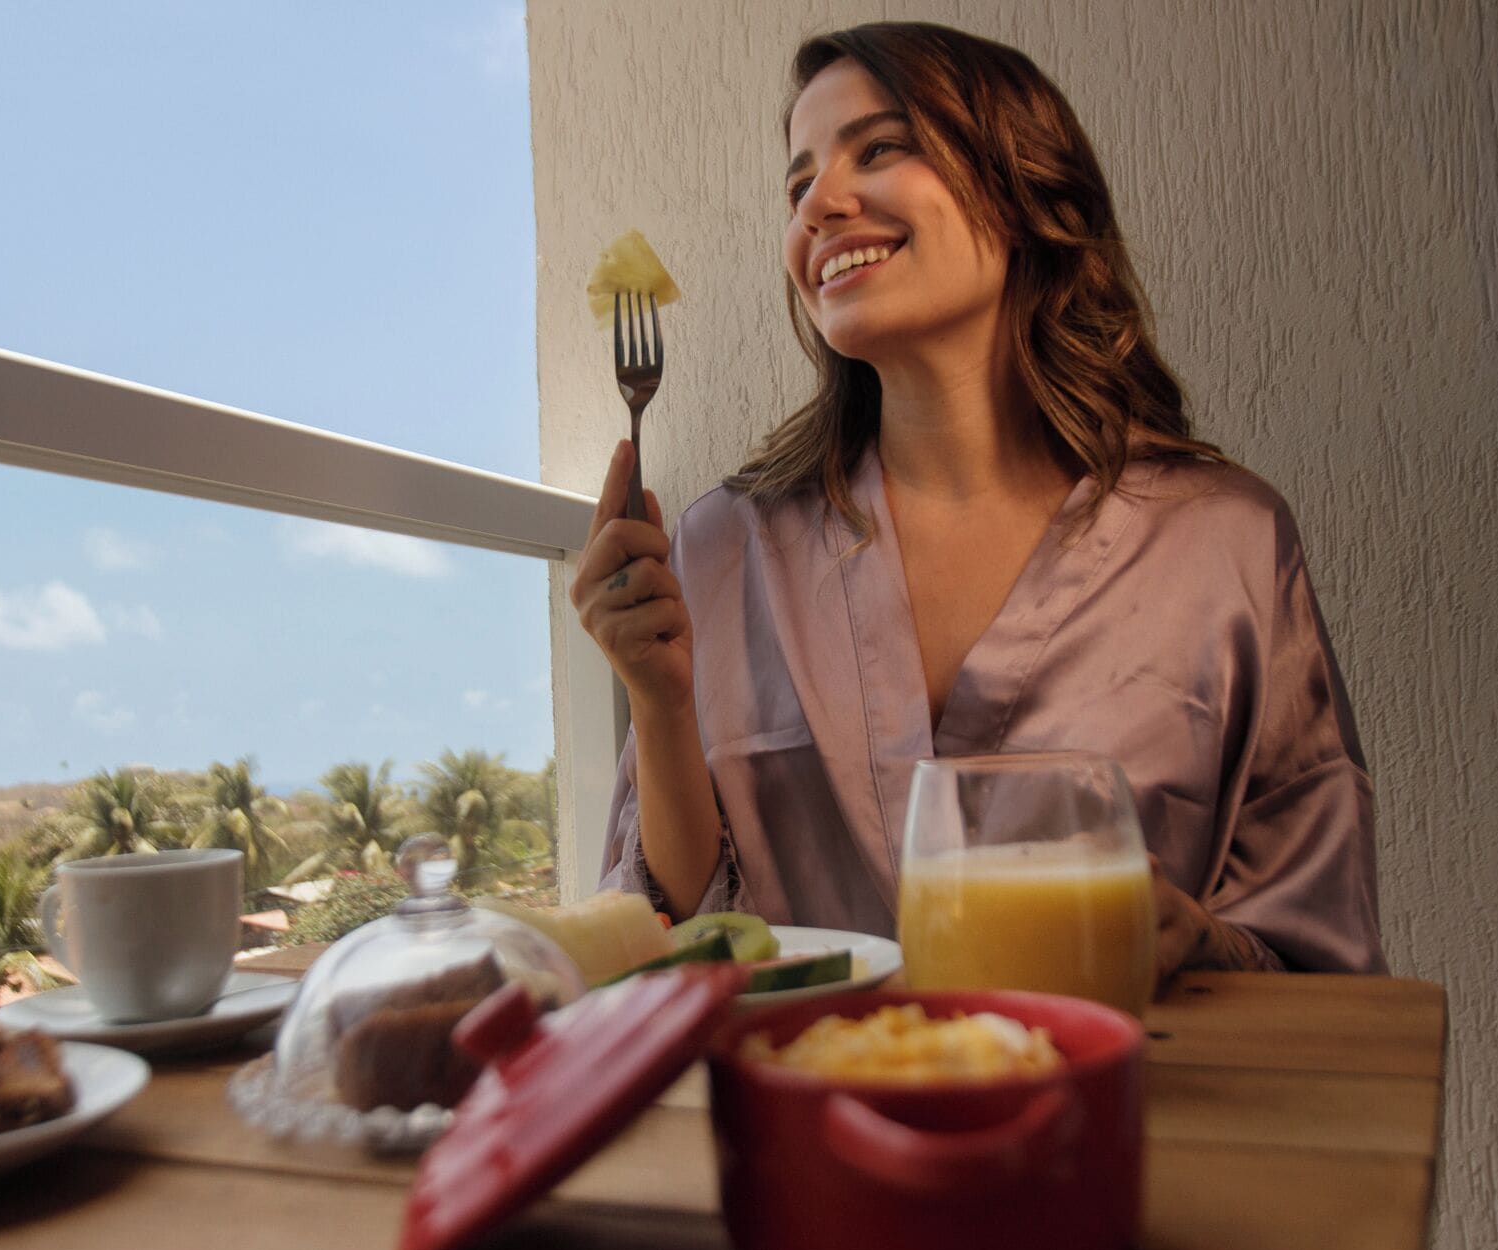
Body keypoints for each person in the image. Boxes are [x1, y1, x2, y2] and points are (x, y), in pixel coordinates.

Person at [571, 22, 1385, 982]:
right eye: (797, 187)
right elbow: (677, 937)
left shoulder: (1226, 543)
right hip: (804, 1080)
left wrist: (1187, 937)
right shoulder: (721, 545)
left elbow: (1316, 949)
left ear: (1021, 185)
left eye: (880, 148)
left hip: (1129, 1081)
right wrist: (660, 705)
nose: (820, 205)